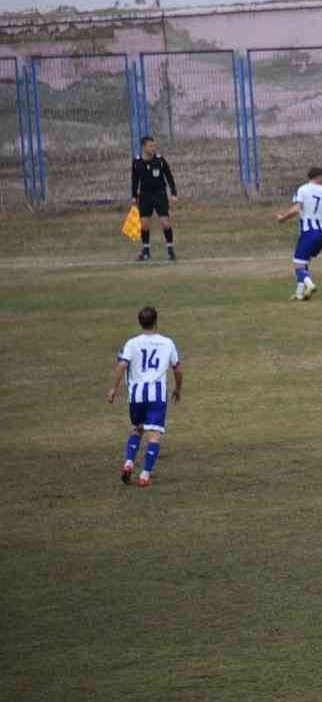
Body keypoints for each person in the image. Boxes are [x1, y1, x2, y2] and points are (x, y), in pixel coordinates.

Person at [105, 306, 182, 488]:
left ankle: (129, 462)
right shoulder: (167, 343)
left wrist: (113, 389)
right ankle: (145, 475)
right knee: (154, 435)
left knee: (137, 429)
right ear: (156, 322)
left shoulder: (132, 343)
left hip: (137, 395)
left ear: (140, 323)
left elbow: (122, 365)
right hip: (156, 395)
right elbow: (177, 369)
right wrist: (178, 388)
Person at [275, 167, 322, 301]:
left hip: (308, 232)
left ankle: (310, 284)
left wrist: (283, 218)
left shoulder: (303, 189)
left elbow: (296, 209)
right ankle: (299, 293)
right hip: (321, 233)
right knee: (304, 262)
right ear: (319, 177)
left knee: (298, 265)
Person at [131, 136, 178, 261]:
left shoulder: (160, 160)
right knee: (144, 225)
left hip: (160, 194)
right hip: (145, 196)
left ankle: (170, 250)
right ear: (144, 147)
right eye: (150, 146)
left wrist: (173, 193)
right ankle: (146, 251)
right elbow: (135, 180)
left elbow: (169, 177)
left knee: (165, 223)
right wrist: (134, 196)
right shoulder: (137, 162)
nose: (153, 148)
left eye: (154, 146)